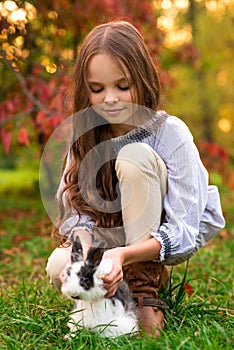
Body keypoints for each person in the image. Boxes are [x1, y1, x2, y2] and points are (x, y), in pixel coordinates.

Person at [45, 20, 225, 337]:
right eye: (97, 89)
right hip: (112, 235)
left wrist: (123, 255)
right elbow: (76, 219)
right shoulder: (84, 136)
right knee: (58, 267)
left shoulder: (170, 133)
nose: (111, 99)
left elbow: (184, 231)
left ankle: (143, 287)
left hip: (158, 230)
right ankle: (116, 284)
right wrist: (86, 255)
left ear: (142, 81)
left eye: (123, 86)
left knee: (133, 156)